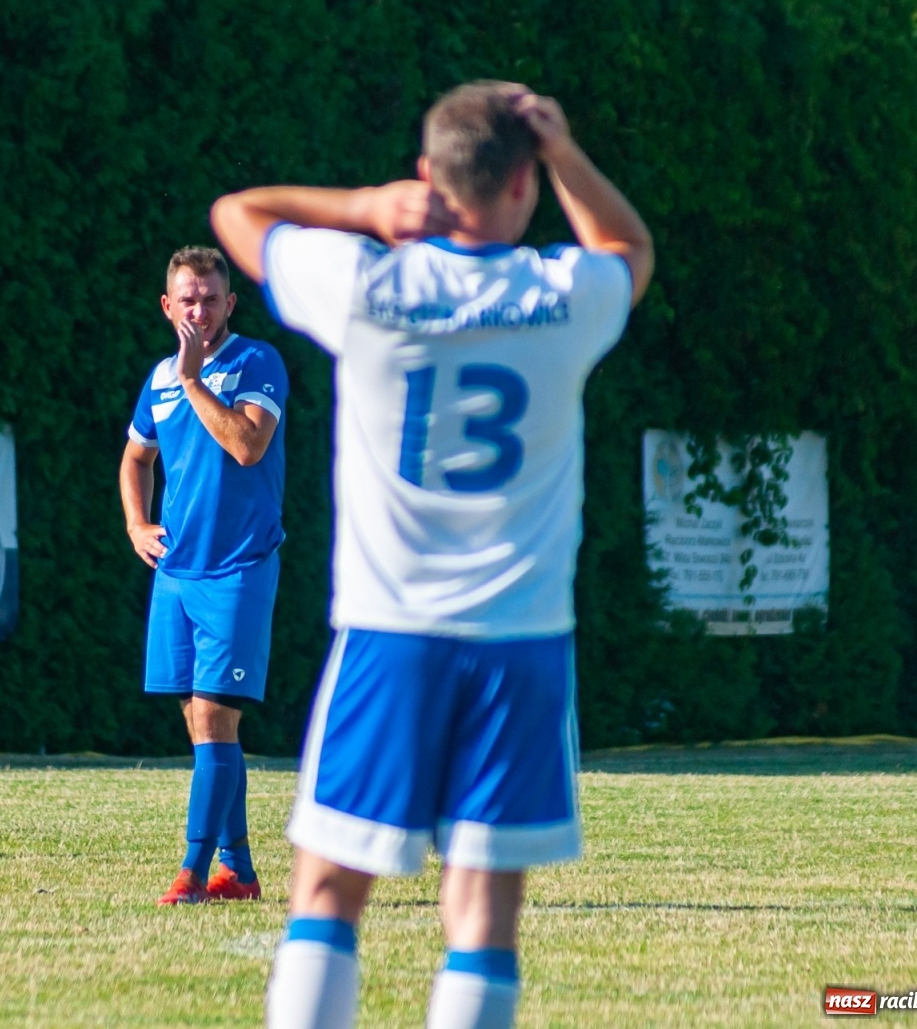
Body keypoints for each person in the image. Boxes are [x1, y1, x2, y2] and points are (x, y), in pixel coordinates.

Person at [211, 82, 654, 1028]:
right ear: (526, 186)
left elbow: (236, 214)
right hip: (522, 643)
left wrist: (364, 211)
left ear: (427, 178)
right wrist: (566, 150)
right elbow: (629, 249)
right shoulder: (559, 295)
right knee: (484, 917)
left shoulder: (371, 288)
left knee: (328, 894)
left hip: (391, 632)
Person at [120, 246, 290, 905]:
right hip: (179, 573)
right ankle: (239, 872)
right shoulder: (159, 377)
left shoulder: (255, 361)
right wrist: (138, 525)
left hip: (239, 568)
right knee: (201, 720)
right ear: (168, 306)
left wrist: (196, 381)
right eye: (187, 299)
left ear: (230, 304)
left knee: (217, 715)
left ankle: (191, 875)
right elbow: (137, 457)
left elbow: (248, 447)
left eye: (211, 298)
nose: (199, 310)